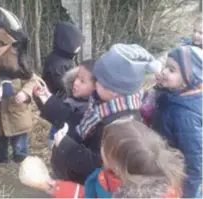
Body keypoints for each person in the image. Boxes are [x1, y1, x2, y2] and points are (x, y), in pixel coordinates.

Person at [34, 44, 162, 184]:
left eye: (99, 81)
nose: (96, 84)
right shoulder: (103, 103)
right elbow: (76, 120)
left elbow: (99, 163)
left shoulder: (122, 125)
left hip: (84, 185)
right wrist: (49, 101)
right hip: (71, 174)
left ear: (114, 90)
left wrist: (66, 146)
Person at [37, 118, 186, 198]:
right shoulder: (116, 176)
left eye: (103, 144)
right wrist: (58, 188)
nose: (99, 146)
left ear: (115, 162)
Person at [151, 45, 202, 198]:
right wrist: (161, 87)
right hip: (165, 162)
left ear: (187, 80)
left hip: (176, 177)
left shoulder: (185, 115)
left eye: (172, 70)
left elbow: (195, 161)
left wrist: (187, 194)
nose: (164, 72)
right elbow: (163, 102)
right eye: (166, 67)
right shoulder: (176, 94)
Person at [0, 73, 44, 164]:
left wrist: (25, 93)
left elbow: (34, 80)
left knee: (20, 150)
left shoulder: (17, 67)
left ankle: (21, 165)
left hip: (18, 117)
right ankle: (2, 166)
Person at [44, 59, 96, 148]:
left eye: (82, 81)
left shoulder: (91, 112)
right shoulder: (68, 97)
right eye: (76, 77)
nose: (75, 83)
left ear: (96, 87)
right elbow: (56, 122)